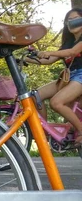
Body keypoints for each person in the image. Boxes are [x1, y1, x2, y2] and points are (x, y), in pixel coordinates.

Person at [28, 8, 82, 145]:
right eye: (68, 21)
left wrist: (48, 52)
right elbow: (48, 60)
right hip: (69, 77)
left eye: (75, 19)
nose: (71, 23)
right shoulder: (67, 43)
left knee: (56, 103)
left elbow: (73, 52)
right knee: (35, 96)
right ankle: (45, 133)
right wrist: (23, 59)